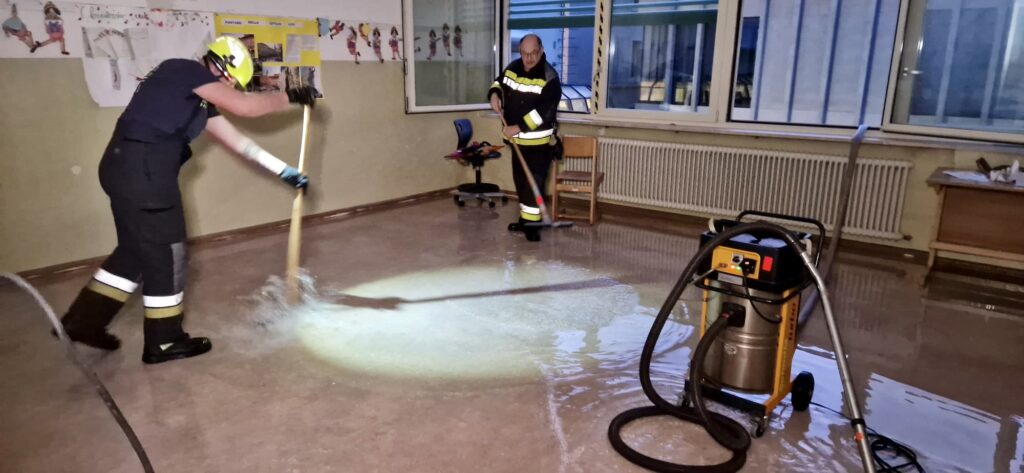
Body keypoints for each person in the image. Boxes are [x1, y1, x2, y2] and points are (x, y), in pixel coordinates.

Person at [57, 36, 317, 364]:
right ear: (222, 68)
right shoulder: (183, 70)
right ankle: (164, 341)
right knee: (169, 254)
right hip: (144, 173)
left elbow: (240, 143)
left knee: (134, 252)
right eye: (230, 82)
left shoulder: (199, 102)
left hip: (127, 169)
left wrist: (284, 171)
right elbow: (246, 107)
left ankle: (83, 321)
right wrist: (290, 95)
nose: (229, 88)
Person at [488, 34, 561, 242]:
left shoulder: (549, 77)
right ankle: (526, 219)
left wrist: (518, 127)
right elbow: (499, 83)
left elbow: (543, 113)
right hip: (517, 141)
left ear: (541, 50)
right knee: (521, 182)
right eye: (524, 53)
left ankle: (533, 225)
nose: (529, 59)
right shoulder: (513, 68)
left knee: (534, 183)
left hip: (538, 144)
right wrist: (494, 95)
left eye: (533, 53)